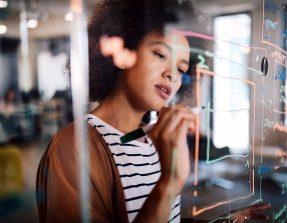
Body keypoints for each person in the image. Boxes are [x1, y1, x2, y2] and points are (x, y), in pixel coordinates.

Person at [36, 1, 269, 222]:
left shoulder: (155, 141)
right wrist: (168, 184)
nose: (173, 75)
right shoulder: (74, 146)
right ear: (123, 53)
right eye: (160, 55)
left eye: (181, 68)